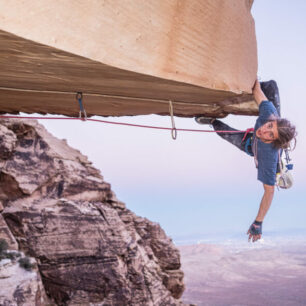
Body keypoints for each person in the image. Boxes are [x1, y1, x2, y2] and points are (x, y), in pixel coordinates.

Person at [195, 80, 297, 243]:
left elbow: (269, 192)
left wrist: (258, 222)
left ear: (273, 141)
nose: (264, 130)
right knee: (271, 86)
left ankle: (213, 122)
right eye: (270, 126)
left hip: (252, 146)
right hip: (259, 134)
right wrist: (250, 75)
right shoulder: (268, 114)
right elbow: (257, 90)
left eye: (270, 135)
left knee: (226, 134)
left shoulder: (268, 158)